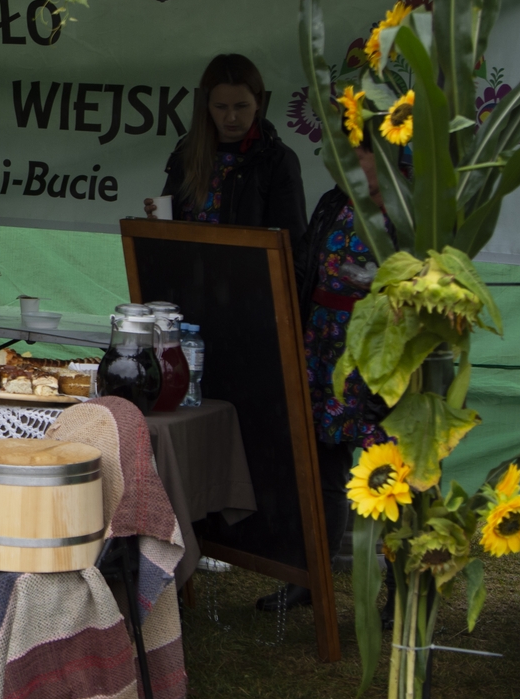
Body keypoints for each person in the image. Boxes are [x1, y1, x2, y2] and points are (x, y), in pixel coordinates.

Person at [258, 140, 393, 611]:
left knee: (392, 474)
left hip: (383, 353)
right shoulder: (333, 202)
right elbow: (306, 269)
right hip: (323, 347)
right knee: (320, 469)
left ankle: (400, 595)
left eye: (356, 156)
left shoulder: (412, 212)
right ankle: (310, 578)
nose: (343, 166)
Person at [144, 53, 307, 256]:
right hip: (185, 270)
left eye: (241, 106)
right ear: (207, 105)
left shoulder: (276, 159)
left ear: (258, 102)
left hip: (247, 274)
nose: (231, 117)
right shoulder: (187, 150)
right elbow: (170, 226)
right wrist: (156, 221)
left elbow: (293, 242)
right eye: (220, 107)